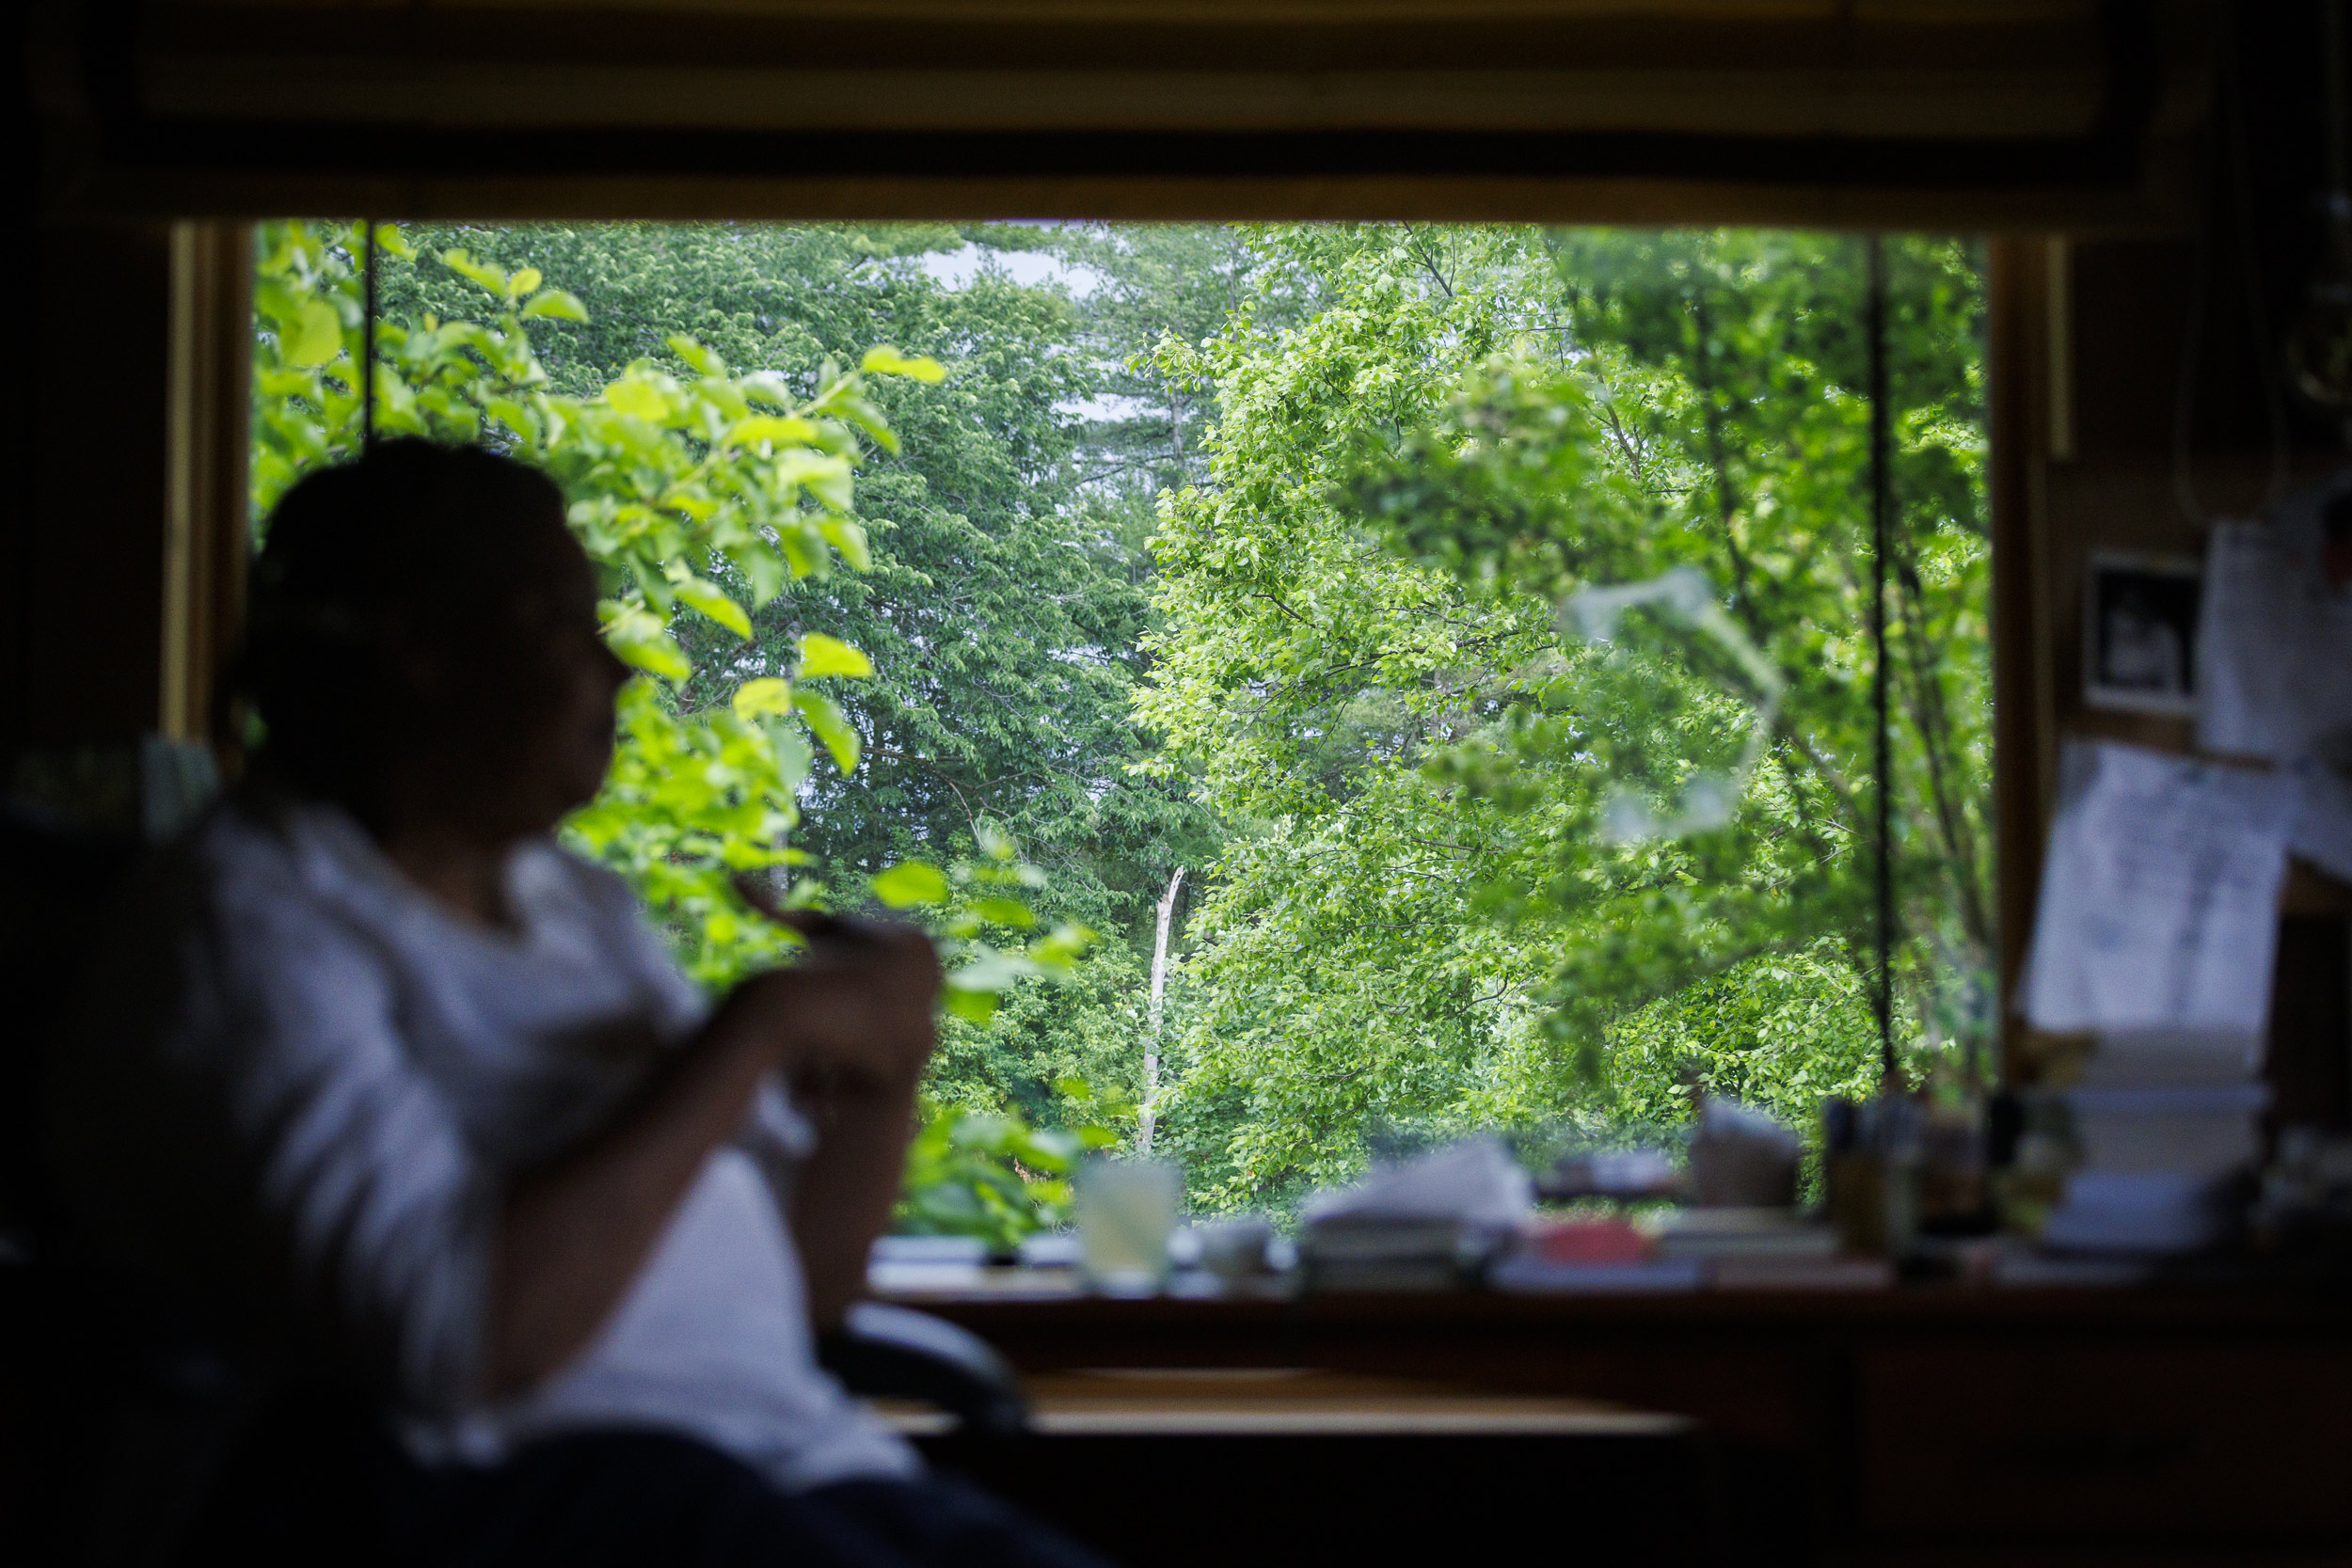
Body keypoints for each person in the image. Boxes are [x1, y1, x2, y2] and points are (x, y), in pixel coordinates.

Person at [47, 439, 1109, 1568]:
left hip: (790, 1460)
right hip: (510, 1499)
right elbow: (453, 1341)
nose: (619, 673)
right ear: (420, 645)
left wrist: (883, 1058)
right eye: (564, 623)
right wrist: (758, 1031)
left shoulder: (571, 904)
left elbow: (806, 1289)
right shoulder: (248, 915)